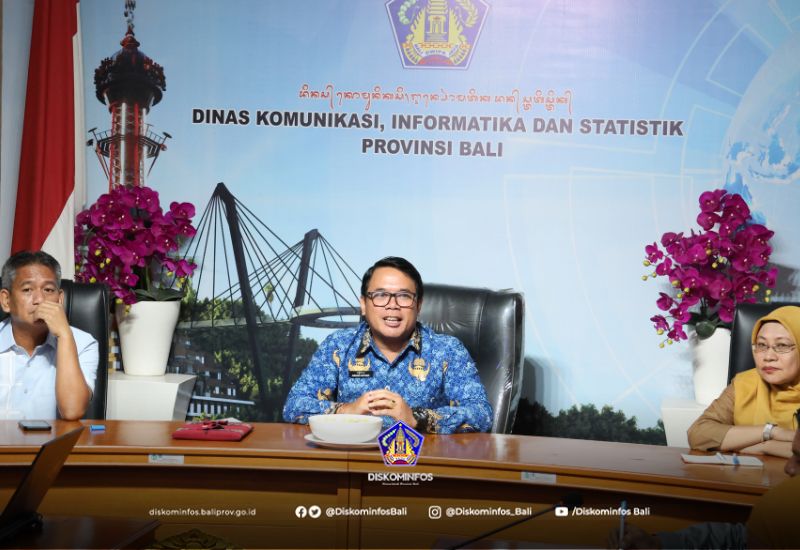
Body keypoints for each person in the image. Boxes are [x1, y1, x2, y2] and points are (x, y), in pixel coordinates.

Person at [282, 256, 492, 433]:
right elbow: (294, 405)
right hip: (352, 460)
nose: (392, 305)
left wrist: (416, 418)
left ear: (418, 305)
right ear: (364, 304)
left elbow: (481, 413)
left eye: (404, 296)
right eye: (381, 295)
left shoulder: (447, 350)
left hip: (420, 462)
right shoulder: (338, 345)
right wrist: (347, 410)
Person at [608, 409, 800, 549]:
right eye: (792, 454)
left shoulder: (778, 506)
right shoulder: (742, 384)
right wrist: (659, 544)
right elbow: (742, 540)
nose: (788, 468)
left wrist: (750, 444)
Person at [687, 305, 800, 458]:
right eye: (761, 345)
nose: (768, 357)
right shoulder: (744, 384)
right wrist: (772, 432)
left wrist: (765, 447)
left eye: (782, 345)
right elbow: (698, 434)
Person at [0, 251, 97, 420]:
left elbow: (72, 411)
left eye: (48, 290)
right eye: (27, 289)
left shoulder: (84, 343)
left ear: (59, 300)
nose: (39, 299)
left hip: (53, 438)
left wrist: (64, 335)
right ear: (6, 301)